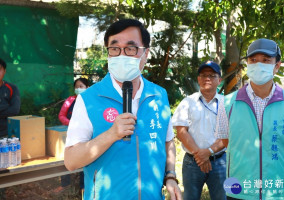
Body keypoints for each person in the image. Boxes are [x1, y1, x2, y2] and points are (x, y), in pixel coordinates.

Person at [64, 19, 182, 200]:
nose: (121, 55)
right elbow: (71, 161)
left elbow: (167, 142)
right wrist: (110, 135)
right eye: (115, 48)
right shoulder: (88, 99)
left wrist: (171, 176)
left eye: (130, 48)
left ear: (145, 53)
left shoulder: (159, 95)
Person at [217, 38, 284, 199]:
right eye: (253, 60)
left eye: (266, 60)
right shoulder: (227, 104)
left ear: (276, 66)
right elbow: (228, 141)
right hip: (240, 190)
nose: (258, 65)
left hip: (279, 192)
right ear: (247, 63)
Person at [172, 61, 226, 200]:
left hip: (219, 162)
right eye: (203, 75)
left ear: (219, 80)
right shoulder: (187, 102)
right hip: (192, 163)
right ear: (198, 79)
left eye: (212, 75)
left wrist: (208, 152)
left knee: (221, 197)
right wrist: (200, 155)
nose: (207, 78)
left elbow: (228, 135)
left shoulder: (226, 103)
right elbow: (181, 132)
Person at [54, 77, 89, 194]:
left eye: (81, 86)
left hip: (86, 135)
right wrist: (72, 124)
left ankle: (83, 187)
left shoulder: (90, 101)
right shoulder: (70, 100)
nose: (78, 89)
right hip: (70, 133)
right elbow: (61, 116)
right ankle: (65, 184)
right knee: (67, 157)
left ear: (87, 88)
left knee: (85, 159)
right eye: (76, 87)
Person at [0, 58, 21, 138]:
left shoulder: (12, 88)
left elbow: (15, 110)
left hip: (7, 133)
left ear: (4, 71)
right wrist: (5, 107)